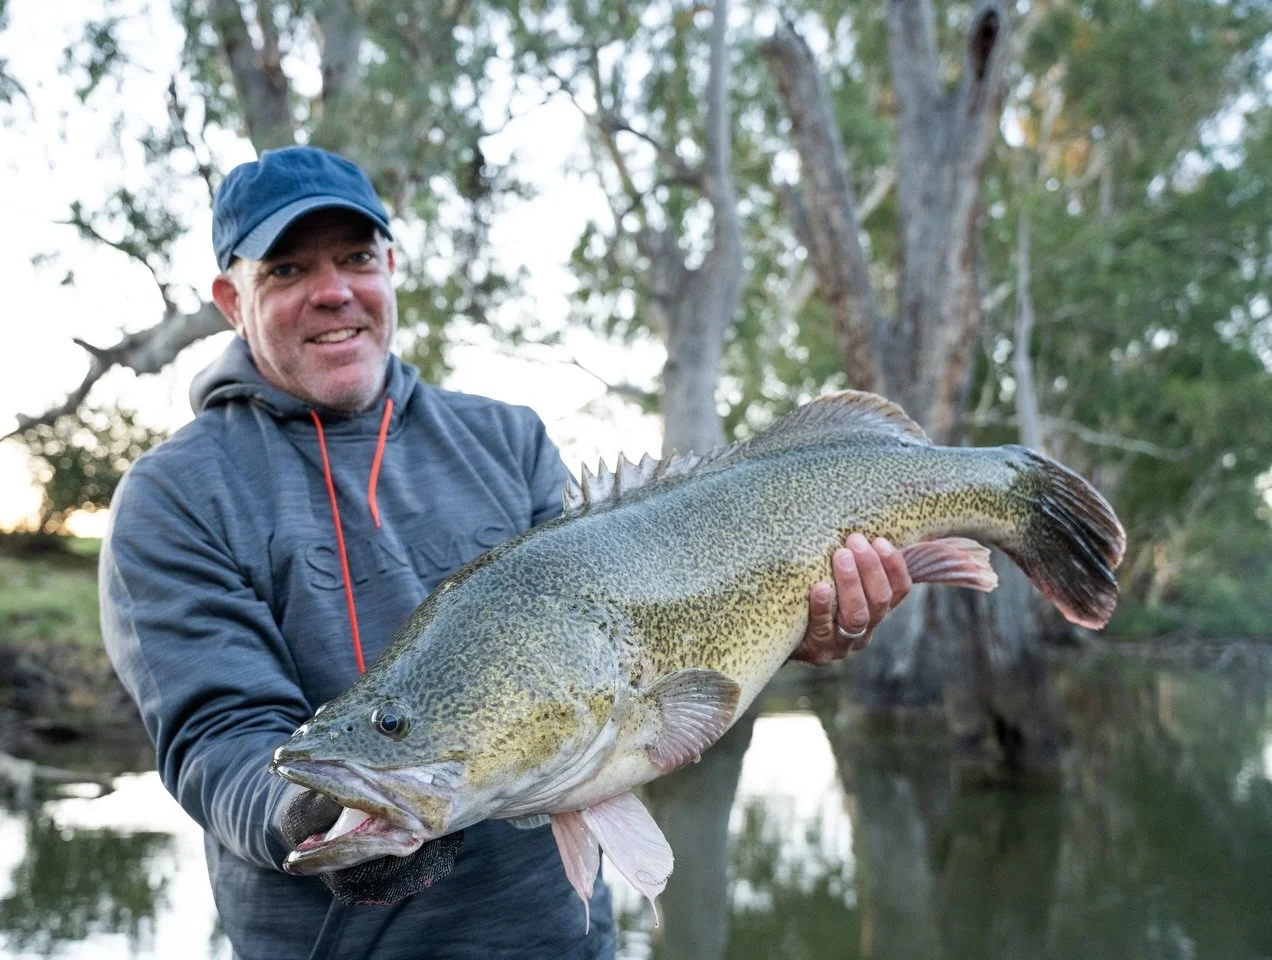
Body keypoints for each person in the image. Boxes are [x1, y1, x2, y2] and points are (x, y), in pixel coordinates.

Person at [99, 145, 911, 960]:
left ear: (391, 267)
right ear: (229, 299)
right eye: (285, 270)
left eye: (357, 258)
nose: (335, 290)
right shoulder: (175, 495)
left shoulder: (506, 439)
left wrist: (793, 628)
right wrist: (316, 815)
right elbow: (218, 738)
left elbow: (628, 665)